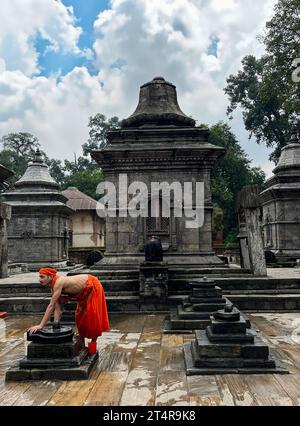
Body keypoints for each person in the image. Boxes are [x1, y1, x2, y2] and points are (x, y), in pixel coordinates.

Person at [28, 267, 110, 354]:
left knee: (92, 314)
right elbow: (57, 309)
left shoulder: (59, 282)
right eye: (39, 277)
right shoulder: (53, 287)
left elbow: (51, 306)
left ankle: (93, 343)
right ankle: (82, 344)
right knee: (79, 316)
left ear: (50, 277)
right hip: (83, 292)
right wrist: (56, 324)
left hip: (92, 285)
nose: (39, 280)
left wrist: (41, 325)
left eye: (42, 277)